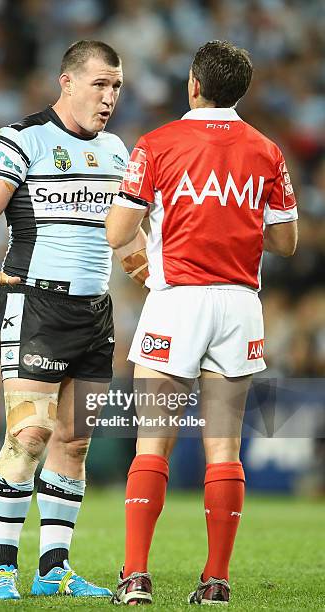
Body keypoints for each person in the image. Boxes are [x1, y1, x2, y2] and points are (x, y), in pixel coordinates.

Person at [106, 40, 298, 605]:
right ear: (240, 90)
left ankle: (135, 576)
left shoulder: (157, 144)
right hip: (239, 306)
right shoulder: (267, 151)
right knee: (224, 448)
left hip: (178, 300)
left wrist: (150, 245)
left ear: (193, 84)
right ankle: (216, 580)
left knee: (152, 444)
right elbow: (286, 242)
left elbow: (119, 231)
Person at [0, 40, 147, 600]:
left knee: (75, 441)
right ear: (67, 82)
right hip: (35, 305)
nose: (110, 96)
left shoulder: (118, 151)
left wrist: (158, 286)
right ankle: (0, 569)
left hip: (95, 311)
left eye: (117, 85)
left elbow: (129, 238)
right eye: (100, 84)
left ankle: (53, 569)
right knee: (30, 432)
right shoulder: (20, 140)